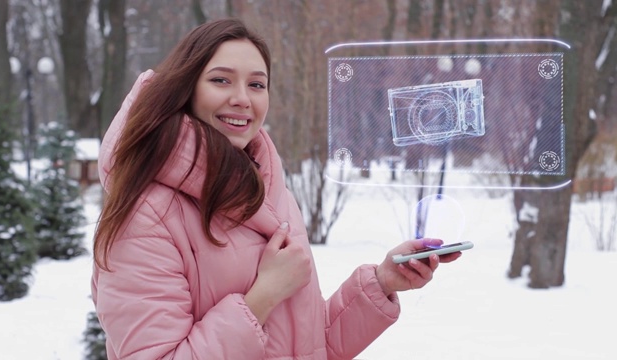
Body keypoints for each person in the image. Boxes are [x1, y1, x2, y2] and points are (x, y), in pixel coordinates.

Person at [91, 18, 462, 360]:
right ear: (184, 89)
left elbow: (308, 345)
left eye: (256, 84)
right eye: (221, 80)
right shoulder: (145, 217)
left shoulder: (267, 192)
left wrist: (382, 282)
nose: (242, 98)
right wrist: (263, 296)